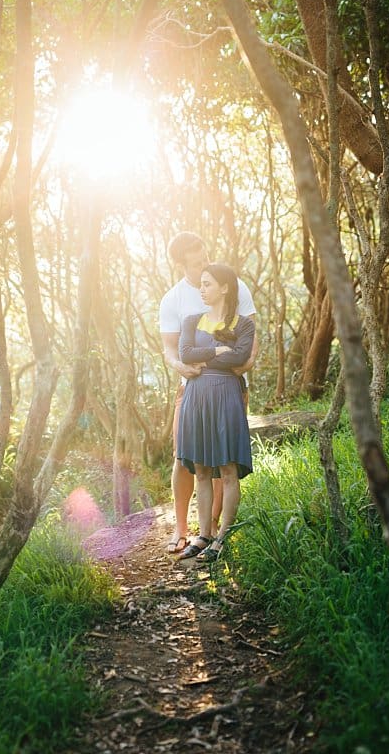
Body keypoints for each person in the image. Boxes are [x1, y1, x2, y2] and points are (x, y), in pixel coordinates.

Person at [158, 233, 257, 555]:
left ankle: (215, 531)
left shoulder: (233, 285)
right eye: (196, 259)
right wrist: (188, 363)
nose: (204, 260)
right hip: (191, 388)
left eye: (204, 253)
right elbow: (176, 350)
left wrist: (243, 361)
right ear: (181, 263)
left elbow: (246, 346)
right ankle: (184, 528)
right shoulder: (174, 300)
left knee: (225, 462)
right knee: (186, 458)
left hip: (230, 387)